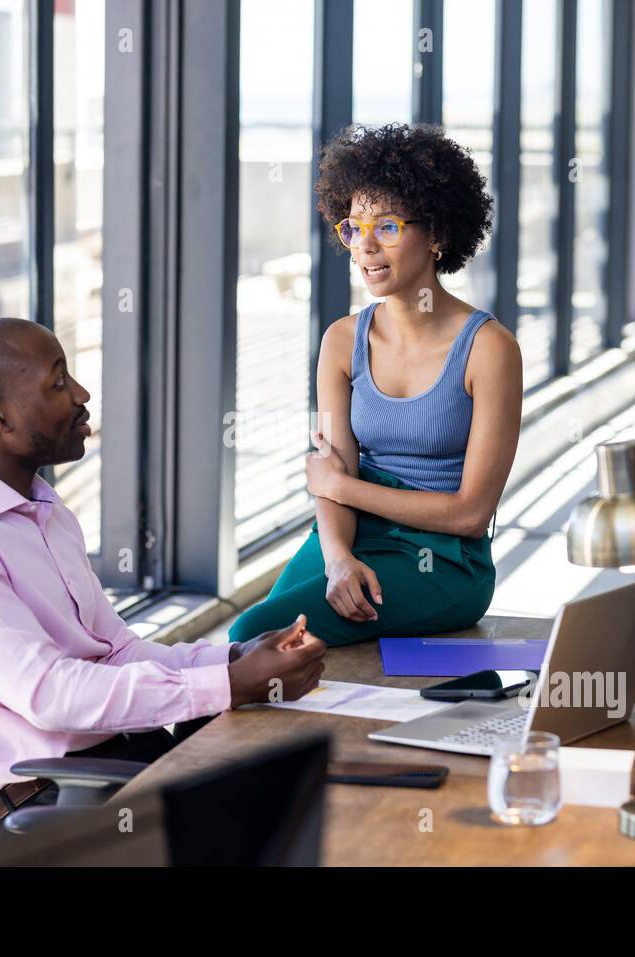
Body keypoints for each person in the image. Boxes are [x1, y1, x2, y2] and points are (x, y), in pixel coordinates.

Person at [0, 318, 325, 841]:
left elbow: (113, 651)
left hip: (113, 764)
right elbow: (50, 694)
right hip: (44, 803)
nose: (82, 395)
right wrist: (227, 684)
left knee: (311, 791)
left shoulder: (43, 508)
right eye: (58, 382)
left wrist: (230, 659)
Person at [229, 124, 522, 648]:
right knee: (254, 643)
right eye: (353, 227)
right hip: (346, 535)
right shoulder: (342, 341)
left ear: (436, 235)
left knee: (259, 634)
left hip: (445, 559)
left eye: (386, 226)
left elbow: (471, 513)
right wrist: (339, 558)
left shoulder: (489, 349)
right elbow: (332, 465)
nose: (365, 246)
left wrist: (341, 487)